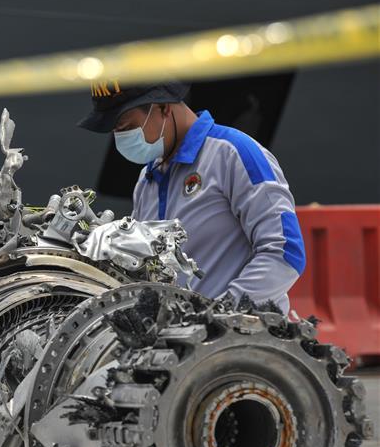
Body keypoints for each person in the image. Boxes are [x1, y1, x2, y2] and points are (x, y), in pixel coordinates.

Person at [78, 80, 305, 313]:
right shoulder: (148, 179)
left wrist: (220, 315)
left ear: (164, 107)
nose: (120, 138)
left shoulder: (233, 154)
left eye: (125, 127)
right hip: (183, 344)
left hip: (242, 341)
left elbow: (285, 253)